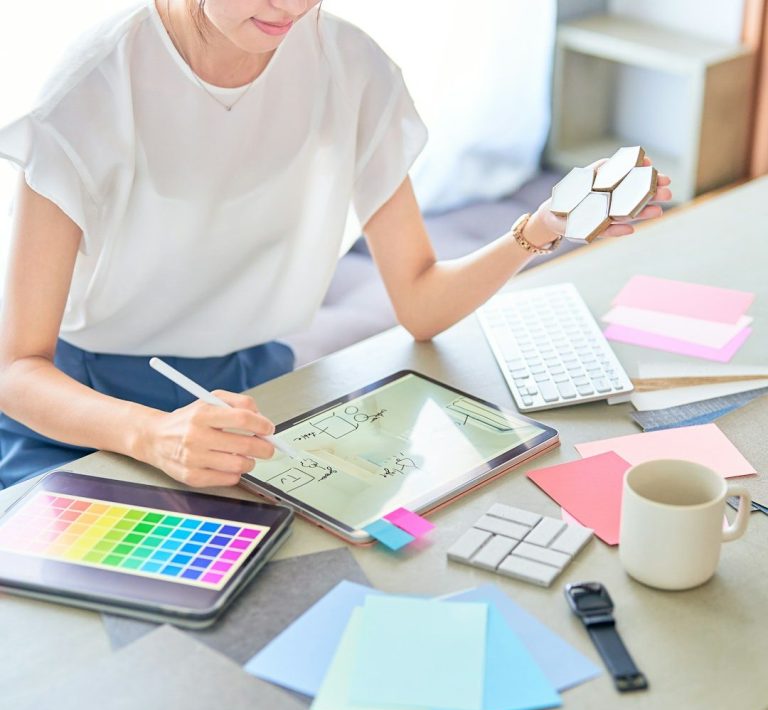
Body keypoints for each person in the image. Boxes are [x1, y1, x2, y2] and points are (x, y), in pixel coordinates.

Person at [0, 0, 671, 490]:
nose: (292, 6)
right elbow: (16, 370)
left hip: (255, 387)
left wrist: (542, 228)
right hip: (84, 411)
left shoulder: (349, 65)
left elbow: (421, 303)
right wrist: (149, 433)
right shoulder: (91, 90)